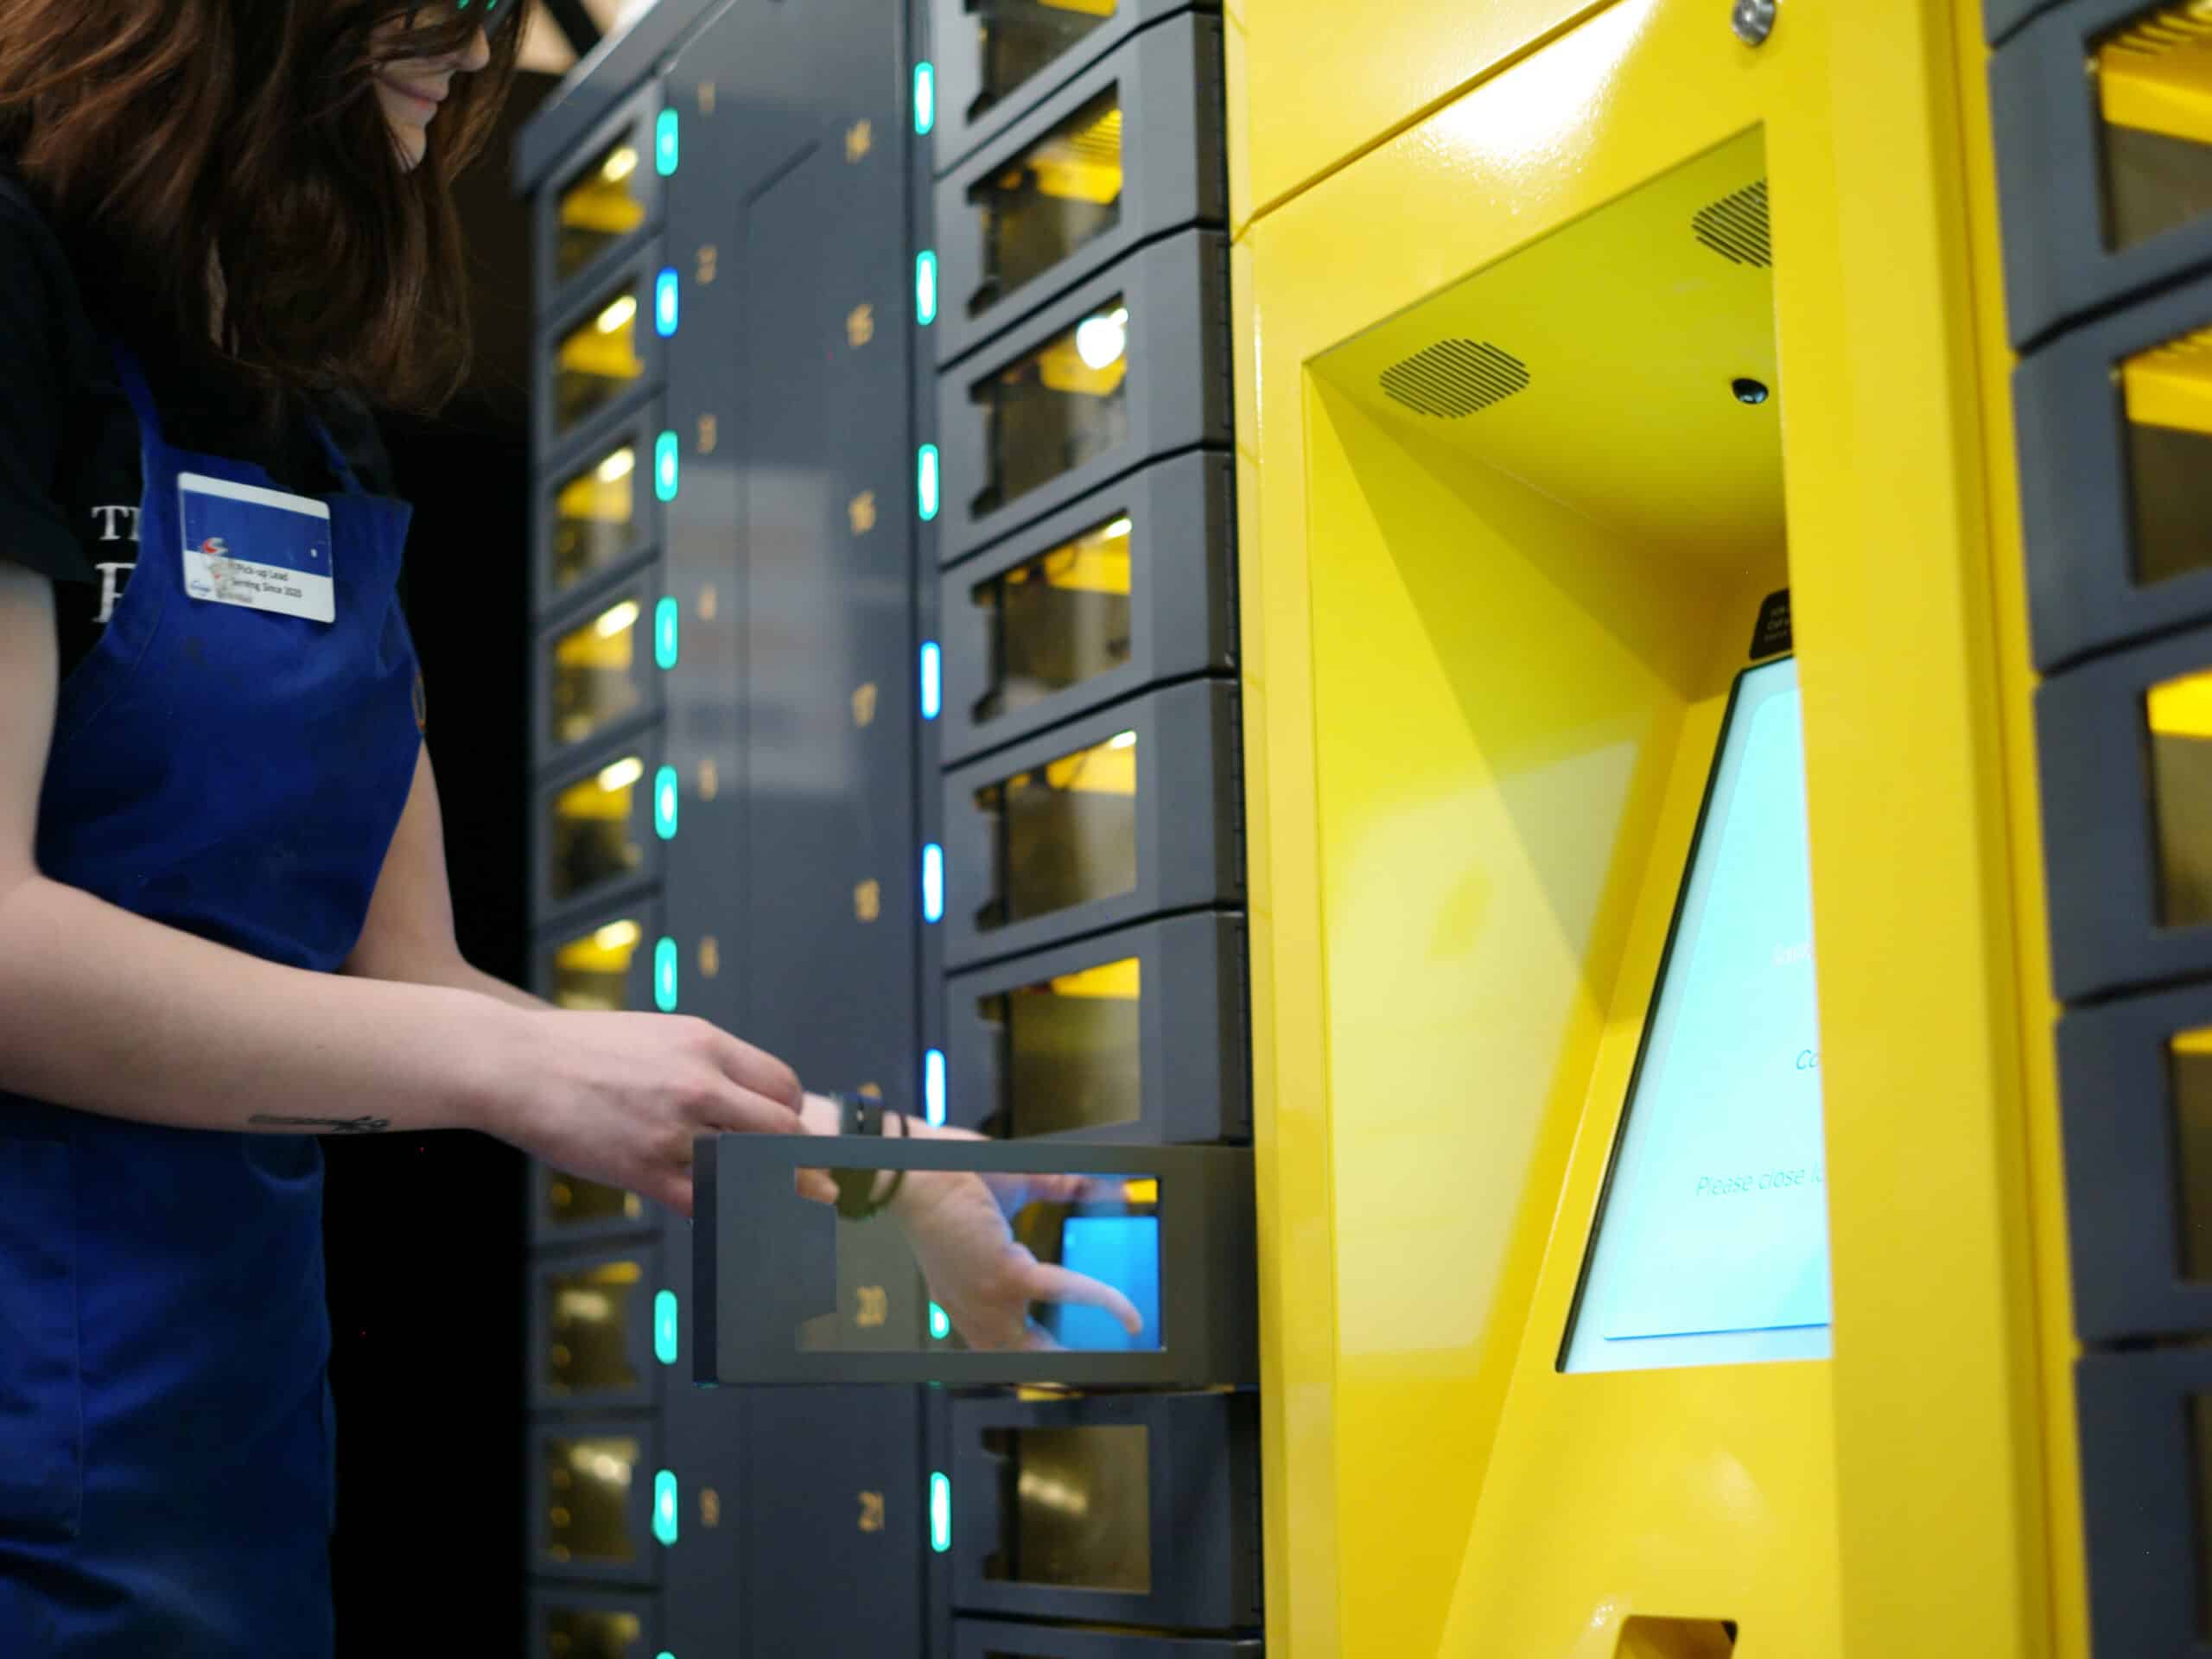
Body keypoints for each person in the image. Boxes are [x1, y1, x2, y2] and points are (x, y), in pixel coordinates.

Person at [0, 3, 1135, 1652]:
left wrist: (846, 1173)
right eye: (441, 5)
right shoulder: (16, 289)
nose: (469, 53)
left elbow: (411, 981)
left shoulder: (312, 426)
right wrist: (524, 1074)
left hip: (209, 1449)